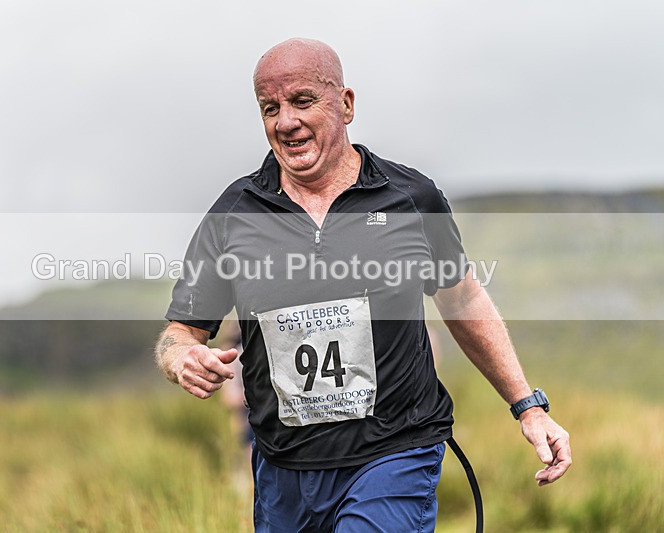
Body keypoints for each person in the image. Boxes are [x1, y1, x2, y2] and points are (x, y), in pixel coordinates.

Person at [155, 38, 571, 532]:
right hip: (285, 472)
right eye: (270, 108)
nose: (285, 121)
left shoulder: (410, 198)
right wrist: (180, 358)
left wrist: (528, 407)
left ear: (346, 104)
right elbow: (180, 332)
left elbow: (462, 298)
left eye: (303, 101)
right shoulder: (234, 214)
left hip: (395, 452)